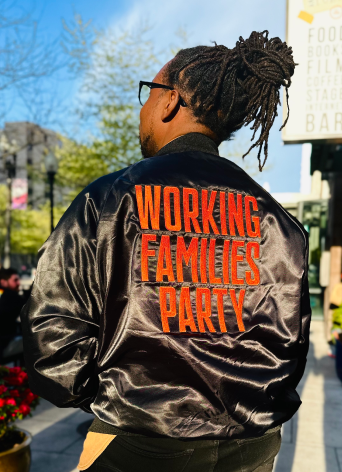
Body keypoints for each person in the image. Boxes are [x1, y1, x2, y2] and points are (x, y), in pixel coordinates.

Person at [20, 31, 311, 472]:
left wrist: (117, 401)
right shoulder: (280, 223)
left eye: (148, 93)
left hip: (134, 448)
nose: (143, 110)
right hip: (254, 450)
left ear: (170, 100)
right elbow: (289, 343)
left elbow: (50, 338)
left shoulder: (110, 199)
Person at [0, 268, 25, 359]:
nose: (18, 283)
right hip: (5, 345)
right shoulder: (11, 295)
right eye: (15, 280)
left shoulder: (3, 294)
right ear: (3, 282)